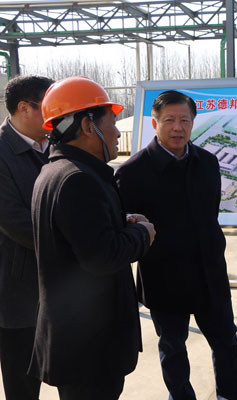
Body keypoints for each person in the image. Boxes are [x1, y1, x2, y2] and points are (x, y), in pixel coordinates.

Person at [29, 76, 156, 400]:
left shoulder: (55, 171)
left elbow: (76, 235)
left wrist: (119, 222)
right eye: (111, 123)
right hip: (90, 345)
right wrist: (142, 234)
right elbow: (102, 256)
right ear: (88, 126)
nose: (117, 133)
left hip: (78, 340)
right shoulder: (78, 180)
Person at [115, 90, 237, 400]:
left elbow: (210, 215)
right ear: (154, 123)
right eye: (169, 120)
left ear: (193, 123)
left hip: (210, 275)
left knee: (226, 342)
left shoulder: (207, 163)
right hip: (164, 279)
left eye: (184, 120)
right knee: (173, 348)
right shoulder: (132, 172)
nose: (178, 127)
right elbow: (126, 229)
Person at [0, 75, 53, 400]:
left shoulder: (56, 145)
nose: (57, 115)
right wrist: (73, 242)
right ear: (24, 108)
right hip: (17, 291)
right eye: (49, 107)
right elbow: (14, 221)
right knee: (22, 383)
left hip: (59, 288)